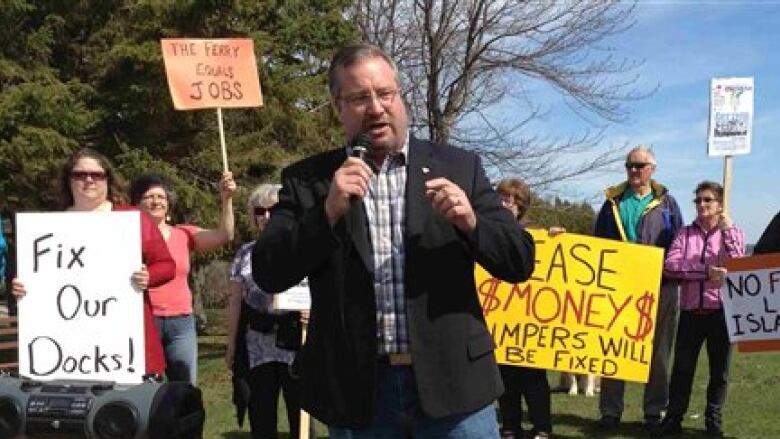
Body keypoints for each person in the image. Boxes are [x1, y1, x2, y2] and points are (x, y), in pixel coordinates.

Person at [252, 43, 535, 437]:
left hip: (455, 388)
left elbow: (519, 262)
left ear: (400, 97)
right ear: (337, 106)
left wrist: (471, 222)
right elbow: (268, 272)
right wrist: (327, 213)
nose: (375, 107)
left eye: (385, 94)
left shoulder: (459, 166)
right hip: (359, 395)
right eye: (359, 97)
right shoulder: (308, 180)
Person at [12, 148, 175, 376]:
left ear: (107, 179)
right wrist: (22, 288)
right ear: (68, 180)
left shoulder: (131, 219)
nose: (89, 180)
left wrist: (149, 276)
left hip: (126, 344)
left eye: (97, 175)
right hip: (69, 350)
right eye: (80, 175)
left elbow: (167, 266)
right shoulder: (50, 227)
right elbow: (35, 280)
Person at [593, 146, 683, 431]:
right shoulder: (612, 203)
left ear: (652, 169)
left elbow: (680, 243)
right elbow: (597, 243)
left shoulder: (668, 204)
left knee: (658, 353)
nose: (633, 170)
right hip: (619, 288)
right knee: (613, 348)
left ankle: (654, 412)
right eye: (629, 165)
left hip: (660, 288)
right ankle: (610, 411)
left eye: (639, 165)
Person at [657, 181, 745, 438]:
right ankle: (674, 418)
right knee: (682, 369)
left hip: (721, 312)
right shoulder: (685, 234)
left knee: (720, 372)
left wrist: (727, 232)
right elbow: (671, 266)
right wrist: (704, 272)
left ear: (719, 204)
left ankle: (713, 420)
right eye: (698, 201)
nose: (701, 205)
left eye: (707, 200)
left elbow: (740, 264)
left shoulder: (733, 232)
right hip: (691, 312)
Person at [130, 172, 235, 384]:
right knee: (147, 389)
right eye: (149, 196)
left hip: (181, 323)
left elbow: (224, 235)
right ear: (137, 203)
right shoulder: (126, 236)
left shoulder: (184, 234)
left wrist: (227, 199)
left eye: (161, 197)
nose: (156, 201)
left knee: (185, 388)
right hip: (144, 322)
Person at [226, 183, 308, 439]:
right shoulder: (244, 254)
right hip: (257, 344)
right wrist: (230, 346)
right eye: (260, 211)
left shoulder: (305, 249)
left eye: (273, 210)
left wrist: (313, 312)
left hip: (297, 340)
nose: (266, 217)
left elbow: (325, 292)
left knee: (301, 414)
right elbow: (236, 302)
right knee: (261, 415)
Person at [495, 178, 553, 439]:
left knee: (534, 378)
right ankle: (510, 426)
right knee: (506, 378)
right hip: (502, 321)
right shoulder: (487, 230)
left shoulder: (534, 234)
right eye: (501, 198)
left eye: (510, 200)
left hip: (532, 323)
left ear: (521, 206)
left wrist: (556, 241)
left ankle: (542, 427)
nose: (504, 204)